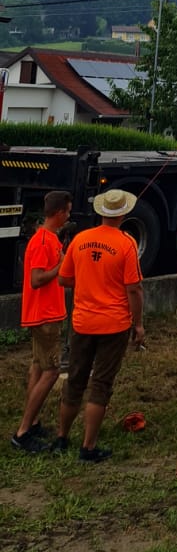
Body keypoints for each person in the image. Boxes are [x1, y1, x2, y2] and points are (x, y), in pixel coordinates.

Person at [54, 187, 144, 462]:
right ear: (124, 213)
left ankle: (61, 438)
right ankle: (88, 447)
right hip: (114, 325)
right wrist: (138, 324)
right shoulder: (127, 244)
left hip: (82, 322)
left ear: (101, 212)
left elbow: (63, 279)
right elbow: (133, 289)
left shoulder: (80, 239)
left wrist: (86, 281)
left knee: (75, 381)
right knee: (101, 384)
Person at [11, 189, 72, 453]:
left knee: (37, 367)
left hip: (45, 314)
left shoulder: (49, 239)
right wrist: (61, 266)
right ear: (58, 213)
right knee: (51, 372)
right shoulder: (43, 242)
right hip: (45, 316)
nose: (68, 216)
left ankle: (32, 422)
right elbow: (37, 280)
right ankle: (23, 431)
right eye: (67, 211)